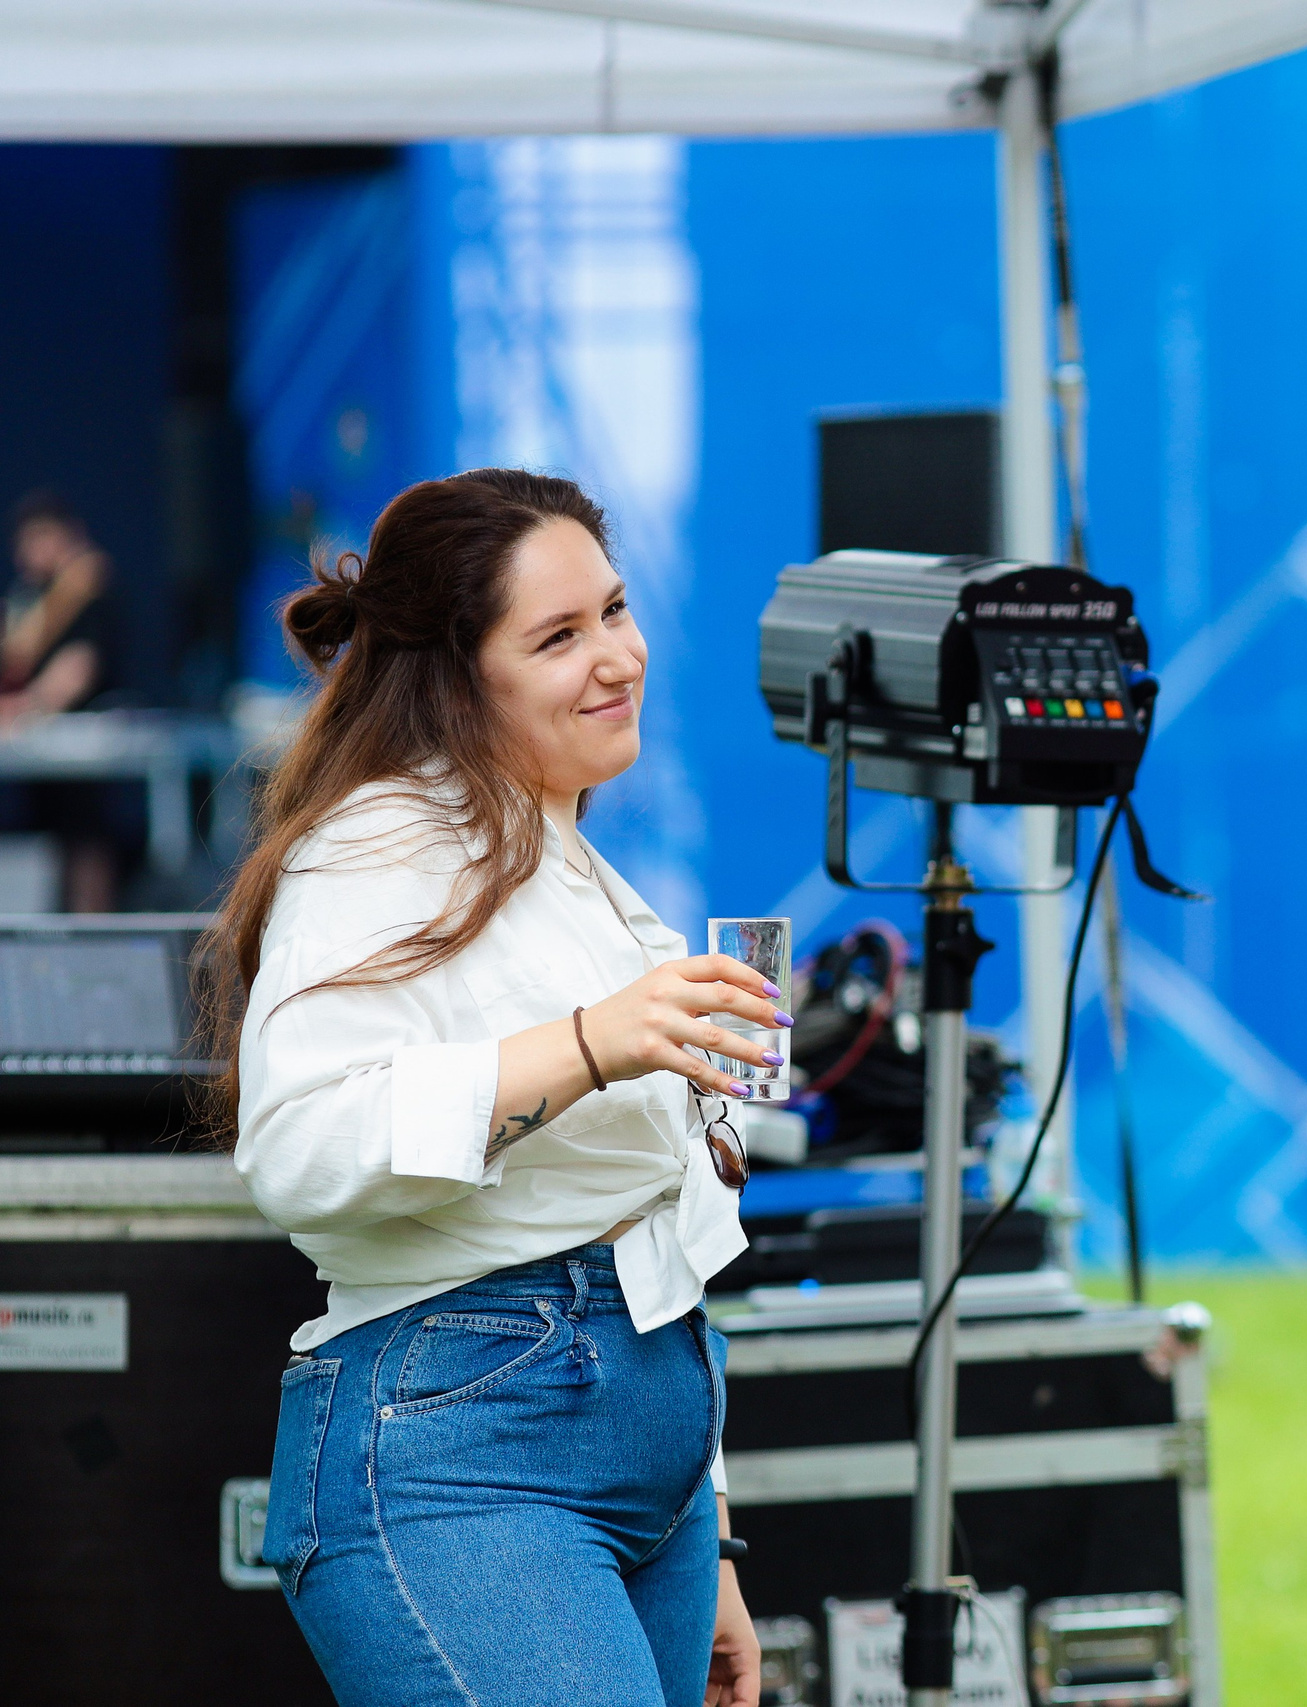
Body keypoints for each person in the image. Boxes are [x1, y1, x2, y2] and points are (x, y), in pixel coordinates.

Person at [202, 469, 774, 1706]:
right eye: (558, 636)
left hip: (643, 1472)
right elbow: (299, 1150)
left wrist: (707, 1526)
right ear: (460, 677)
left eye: (615, 612)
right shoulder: (383, 843)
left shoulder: (570, 863)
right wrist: (589, 1043)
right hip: (462, 1455)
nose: (616, 657)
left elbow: (644, 1234)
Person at [2, 490, 130, 910]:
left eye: (42, 537)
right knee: (49, 848)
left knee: (86, 844)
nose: (31, 550)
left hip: (82, 748)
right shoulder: (30, 596)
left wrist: (23, 710)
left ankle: (93, 944)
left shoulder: (88, 588)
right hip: (38, 756)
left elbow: (78, 668)